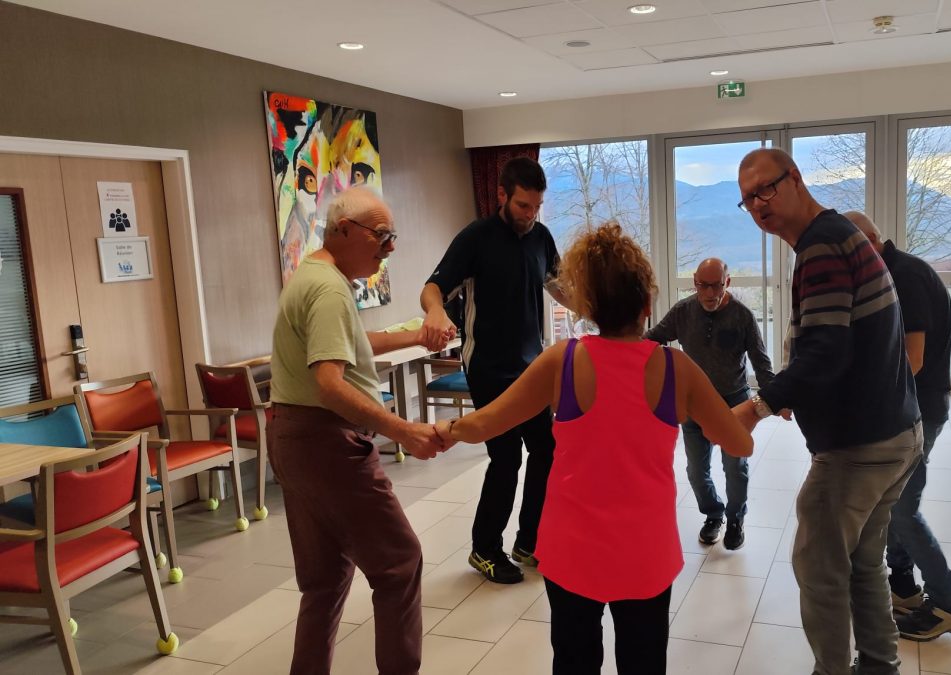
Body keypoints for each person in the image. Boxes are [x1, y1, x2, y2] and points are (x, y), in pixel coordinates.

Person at [436, 222, 752, 674]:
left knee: (574, 663)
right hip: (644, 553)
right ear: (647, 304)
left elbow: (484, 422)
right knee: (643, 665)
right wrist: (757, 405)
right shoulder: (676, 368)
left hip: (571, 551)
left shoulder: (562, 361)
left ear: (587, 307)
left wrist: (439, 430)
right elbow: (739, 442)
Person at [731, 148, 922, 675]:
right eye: (747, 200)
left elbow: (826, 352)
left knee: (818, 564)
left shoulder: (821, 246)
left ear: (795, 178)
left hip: (859, 446)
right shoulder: (838, 236)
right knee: (862, 561)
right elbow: (837, 345)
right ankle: (879, 665)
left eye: (765, 189)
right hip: (896, 432)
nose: (758, 205)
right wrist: (797, 390)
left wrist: (760, 404)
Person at [267, 187, 451, 675]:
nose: (390, 248)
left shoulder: (314, 275)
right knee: (400, 562)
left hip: (293, 438)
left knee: (324, 579)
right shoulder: (330, 289)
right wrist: (403, 430)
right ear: (345, 230)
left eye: (393, 237)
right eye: (382, 236)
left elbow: (349, 341)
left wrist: (417, 335)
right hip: (327, 444)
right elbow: (329, 385)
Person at [418, 157, 570, 584]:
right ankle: (485, 548)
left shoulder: (541, 237)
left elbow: (560, 286)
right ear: (502, 195)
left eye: (536, 206)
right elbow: (433, 288)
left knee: (546, 449)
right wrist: (434, 313)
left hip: (530, 368)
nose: (530, 214)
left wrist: (605, 316)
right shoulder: (476, 237)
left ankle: (529, 540)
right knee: (506, 457)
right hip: (488, 366)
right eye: (523, 205)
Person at [845, 211, 951, 641]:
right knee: (893, 501)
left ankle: (949, 604)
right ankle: (902, 585)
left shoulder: (904, 276)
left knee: (901, 508)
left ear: (868, 242)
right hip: (911, 407)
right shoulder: (893, 271)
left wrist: (865, 400)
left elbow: (911, 360)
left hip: (918, 409)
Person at [646, 257, 774, 550]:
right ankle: (713, 514)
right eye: (703, 286)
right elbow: (652, 339)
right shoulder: (683, 311)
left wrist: (777, 399)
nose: (710, 293)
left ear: (727, 282)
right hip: (693, 402)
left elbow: (761, 361)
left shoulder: (742, 315)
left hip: (733, 401)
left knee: (735, 466)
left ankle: (736, 518)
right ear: (694, 282)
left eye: (716, 286)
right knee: (695, 470)